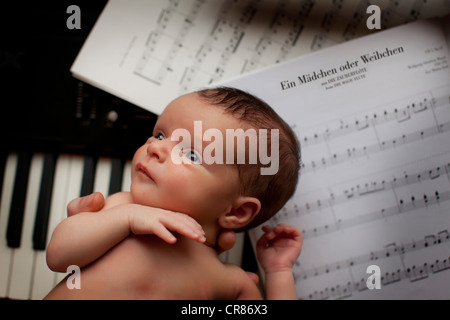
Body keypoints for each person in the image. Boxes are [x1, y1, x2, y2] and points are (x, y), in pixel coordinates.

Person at [45, 87, 302, 300]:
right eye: (160, 134)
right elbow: (58, 257)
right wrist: (127, 219)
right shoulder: (121, 208)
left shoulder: (230, 281)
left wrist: (278, 272)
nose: (156, 147)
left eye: (191, 154)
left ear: (236, 211)